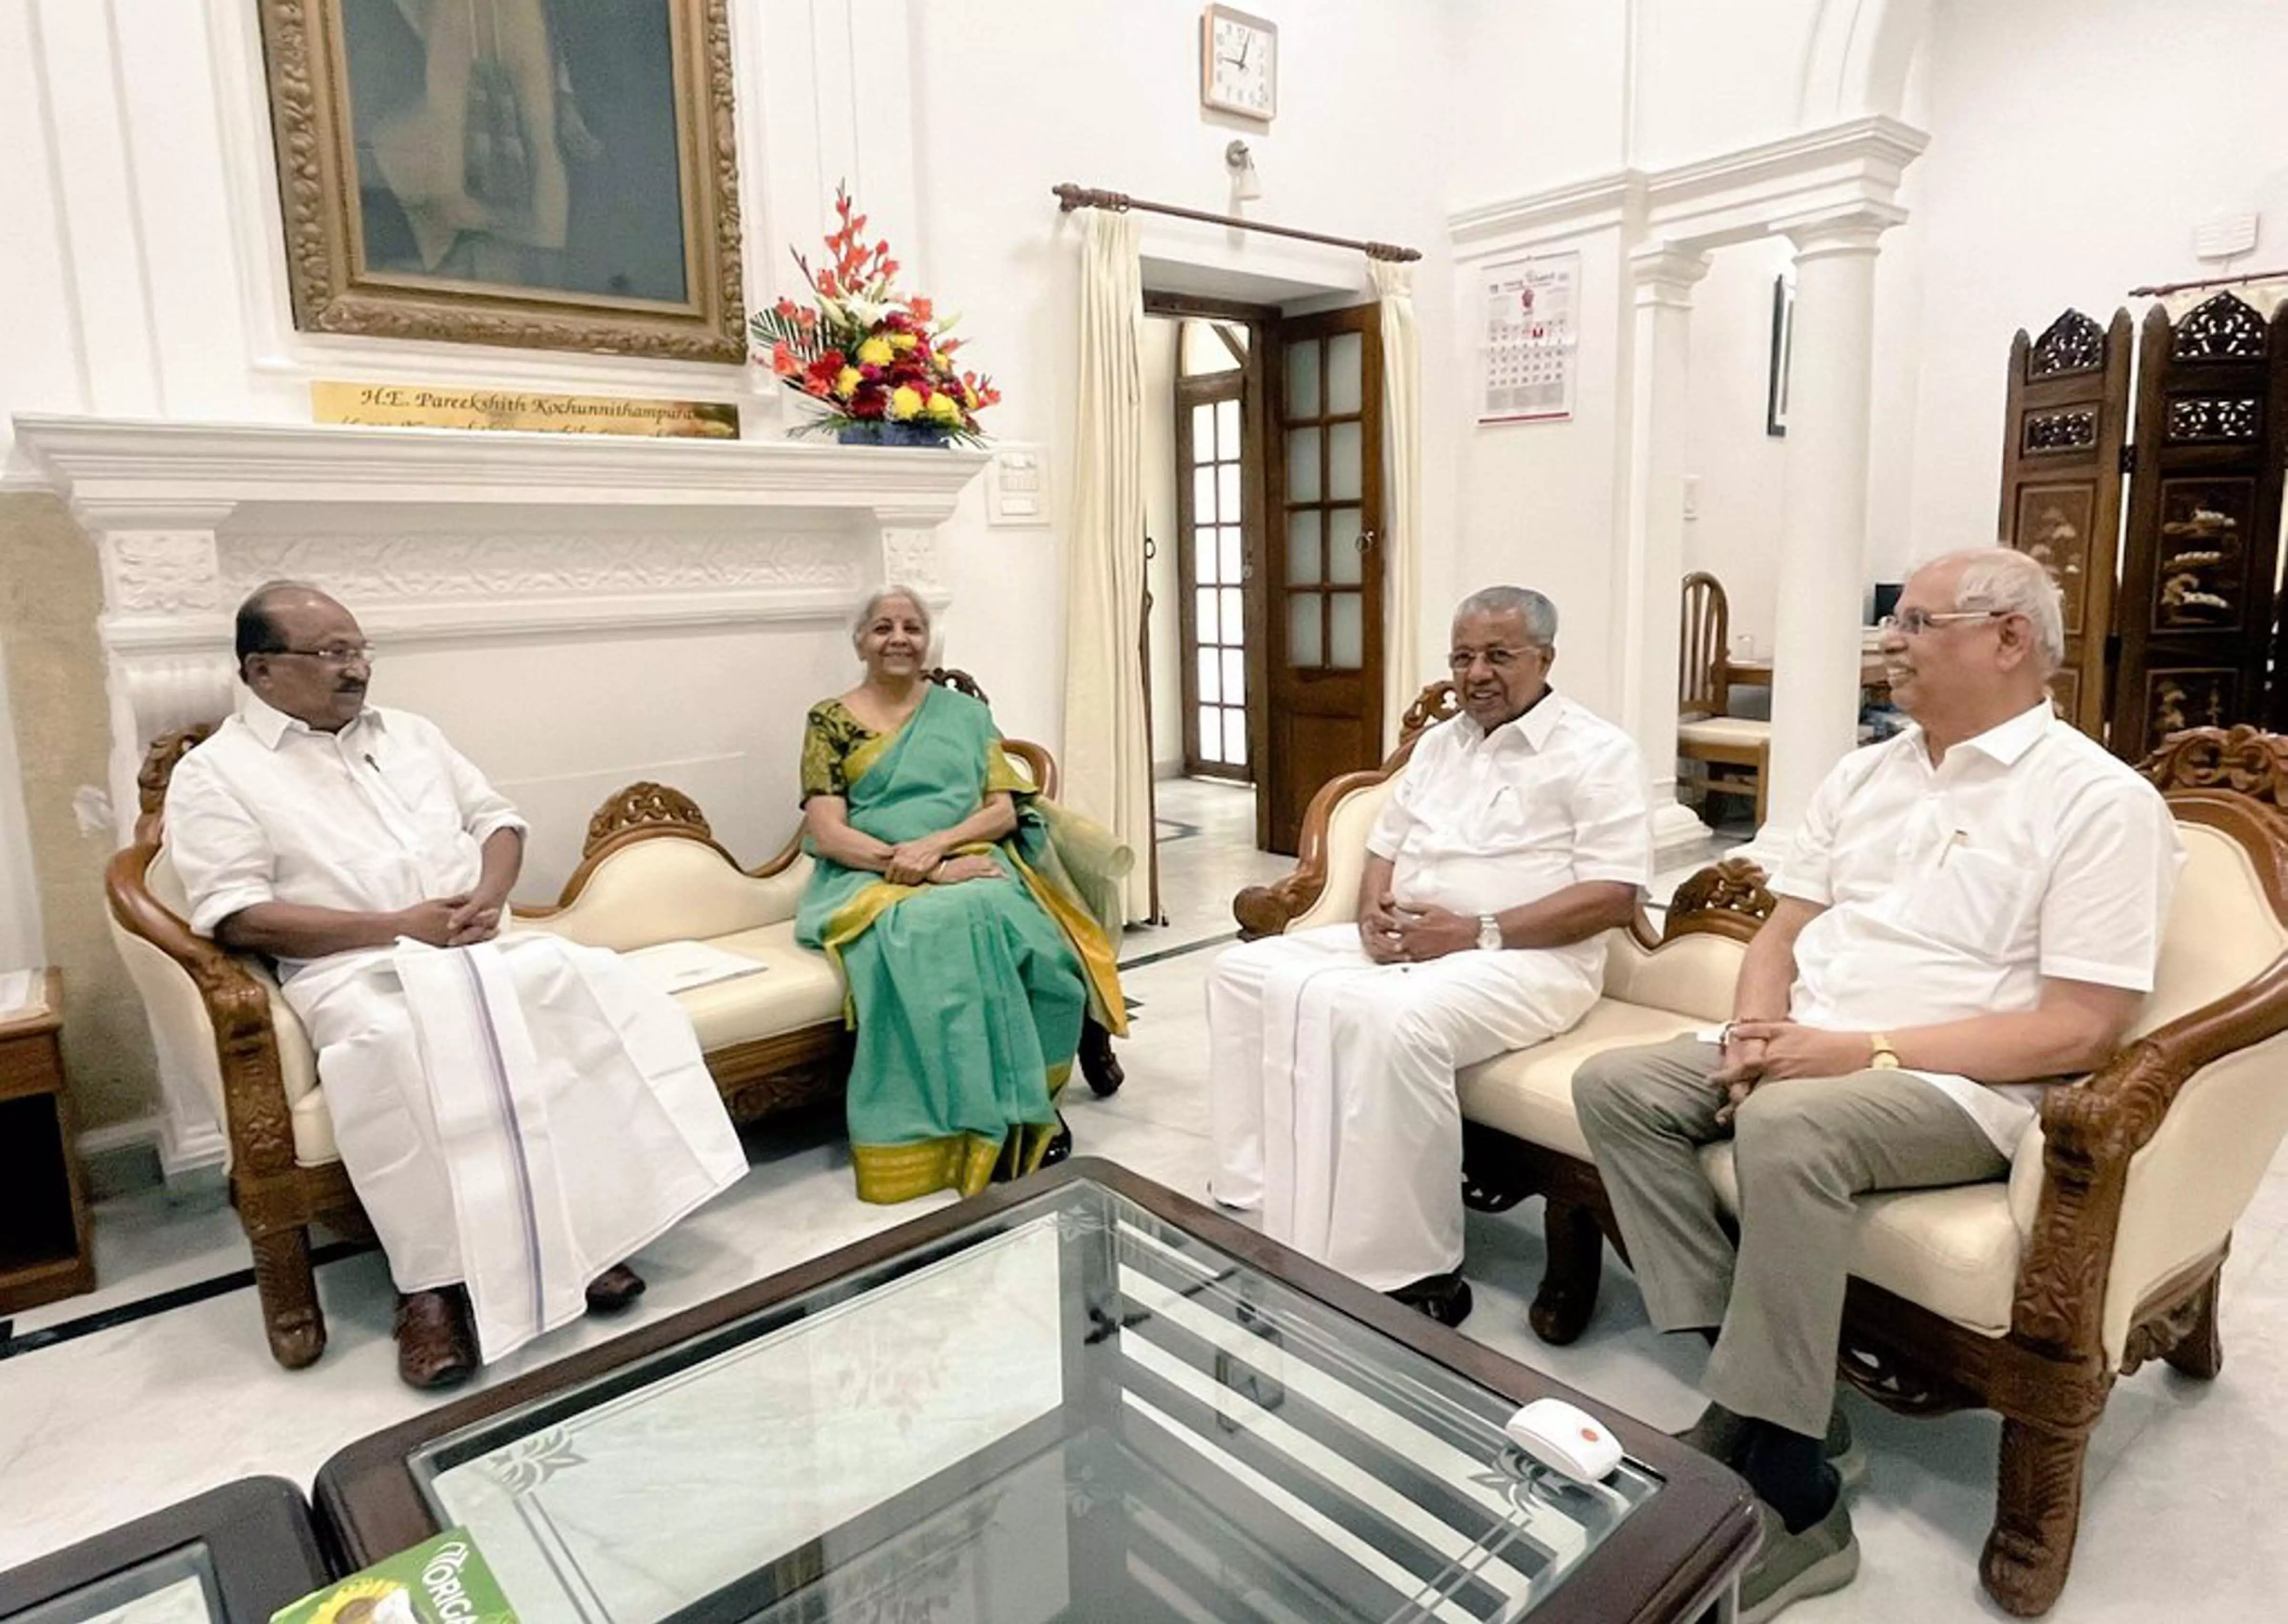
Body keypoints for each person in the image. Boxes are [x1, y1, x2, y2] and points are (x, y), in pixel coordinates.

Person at [1573, 548, 2183, 1622]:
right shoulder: (1869, 773)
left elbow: (2084, 1026)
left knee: (1793, 1130)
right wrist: (1761, 1027)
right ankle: (1754, 1391)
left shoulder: (2097, 802)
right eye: (1892, 623)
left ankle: (1796, 1494)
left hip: (1960, 1087)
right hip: (1817, 1050)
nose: (1889, 644)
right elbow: (1784, 928)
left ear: (2009, 639)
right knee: (1619, 1089)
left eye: (1915, 623)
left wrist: (1855, 1054)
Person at [166, 582, 747, 1390]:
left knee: (586, 988)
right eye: (332, 653)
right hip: (352, 970)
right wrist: (396, 927)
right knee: (397, 1048)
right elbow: (238, 917)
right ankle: (430, 1289)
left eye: (360, 649)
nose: (356, 668)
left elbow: (497, 821)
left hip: (476, 944)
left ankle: (583, 1240)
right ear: (262, 671)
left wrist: (488, 896)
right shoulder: (217, 775)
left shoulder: (411, 735)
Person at [1207, 586, 1652, 1325]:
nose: (1476, 673)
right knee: (1243, 971)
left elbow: (1613, 897)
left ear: (1546, 659)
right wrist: (1371, 911)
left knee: (1392, 1022)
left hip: (1534, 961)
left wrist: (1475, 930)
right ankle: (1260, 1196)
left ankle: (1410, 1268)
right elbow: (1385, 846)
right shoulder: (1440, 744)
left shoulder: (1598, 752)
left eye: (1499, 656)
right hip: (1418, 943)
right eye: (1463, 657)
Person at [797, 586, 1127, 1204]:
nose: (899, 638)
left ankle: (1031, 1109)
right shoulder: (830, 722)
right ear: (861, 641)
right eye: (883, 628)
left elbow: (1000, 813)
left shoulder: (965, 715)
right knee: (938, 933)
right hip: (868, 876)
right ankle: (968, 1130)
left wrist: (941, 847)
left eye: (912, 627)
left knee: (1044, 954)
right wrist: (916, 867)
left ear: (928, 639)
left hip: (970, 858)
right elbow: (828, 832)